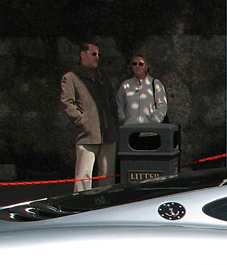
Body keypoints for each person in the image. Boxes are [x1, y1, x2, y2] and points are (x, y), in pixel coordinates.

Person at [60, 42, 117, 191]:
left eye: (99, 54)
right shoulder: (71, 77)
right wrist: (81, 120)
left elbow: (112, 100)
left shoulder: (102, 77)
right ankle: (82, 207)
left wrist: (113, 119)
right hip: (87, 134)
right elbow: (67, 103)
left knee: (107, 176)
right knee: (84, 176)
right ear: (82, 54)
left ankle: (107, 205)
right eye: (93, 54)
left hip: (107, 133)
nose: (97, 57)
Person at [116, 53, 167, 125]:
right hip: (130, 130)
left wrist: (154, 121)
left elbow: (162, 105)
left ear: (146, 67)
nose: (137, 66)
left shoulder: (155, 84)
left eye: (141, 64)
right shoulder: (126, 85)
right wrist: (123, 120)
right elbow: (119, 104)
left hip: (150, 130)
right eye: (134, 64)